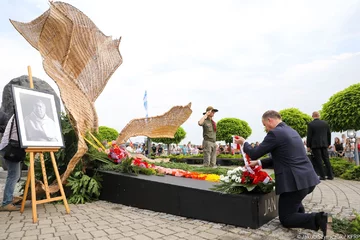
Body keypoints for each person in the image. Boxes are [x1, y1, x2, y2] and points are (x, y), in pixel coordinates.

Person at [234, 110, 330, 237]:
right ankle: (301, 214)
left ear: (270, 120)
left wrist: (244, 143)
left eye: (264, 125)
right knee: (294, 203)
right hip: (308, 180)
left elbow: (254, 152)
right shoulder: (291, 131)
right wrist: (259, 163)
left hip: (294, 183)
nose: (265, 128)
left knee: (286, 219)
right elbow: (283, 156)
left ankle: (320, 219)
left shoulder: (275, 133)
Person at [0, 115, 25, 211]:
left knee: (15, 175)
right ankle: (6, 202)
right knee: (13, 175)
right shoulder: (19, 114)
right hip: (10, 148)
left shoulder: (18, 113)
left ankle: (9, 197)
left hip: (12, 147)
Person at [306, 111, 334, 180]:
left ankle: (322, 176)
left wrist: (308, 146)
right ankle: (330, 175)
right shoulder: (325, 123)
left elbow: (309, 136)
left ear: (312, 116)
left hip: (315, 145)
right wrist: (328, 144)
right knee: (326, 159)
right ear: (319, 116)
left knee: (319, 160)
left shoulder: (311, 124)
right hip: (324, 144)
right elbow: (328, 134)